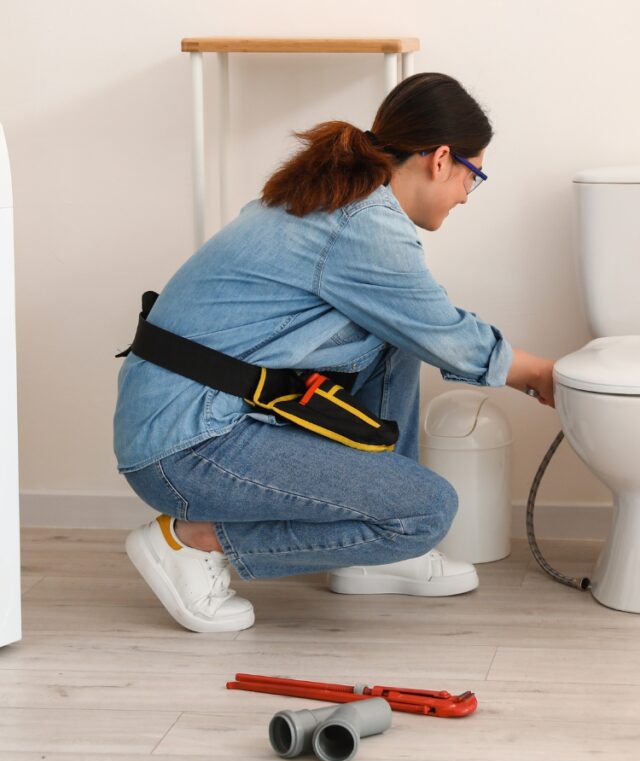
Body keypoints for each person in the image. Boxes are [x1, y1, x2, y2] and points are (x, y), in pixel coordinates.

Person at [113, 73, 555, 633]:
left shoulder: (341, 199)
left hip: (189, 420)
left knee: (394, 337)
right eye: (475, 175)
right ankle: (190, 541)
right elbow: (445, 332)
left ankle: (372, 556)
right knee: (427, 511)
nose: (468, 193)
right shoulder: (361, 223)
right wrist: (541, 373)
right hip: (187, 446)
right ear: (442, 159)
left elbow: (420, 326)